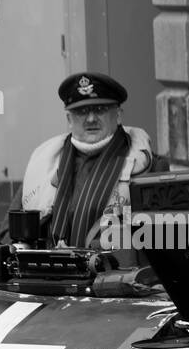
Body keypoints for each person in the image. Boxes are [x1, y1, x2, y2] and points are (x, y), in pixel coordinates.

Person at [9, 73, 158, 249]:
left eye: (100, 110)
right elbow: (10, 233)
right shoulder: (43, 163)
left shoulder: (149, 167)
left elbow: (160, 239)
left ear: (118, 115)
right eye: (81, 112)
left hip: (114, 273)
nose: (91, 119)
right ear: (69, 120)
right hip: (48, 273)